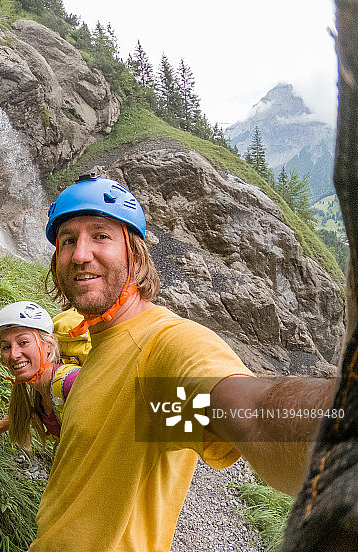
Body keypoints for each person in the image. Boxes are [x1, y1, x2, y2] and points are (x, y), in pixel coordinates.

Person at [29, 173, 336, 552]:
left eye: (101, 235)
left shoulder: (160, 351)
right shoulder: (96, 342)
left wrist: (344, 424)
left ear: (134, 254)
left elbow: (253, 415)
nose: (80, 254)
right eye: (68, 240)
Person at [0, 301, 81, 450]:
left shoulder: (71, 382)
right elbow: (18, 414)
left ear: (48, 345)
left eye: (23, 342)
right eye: (6, 347)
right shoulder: (36, 391)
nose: (14, 354)